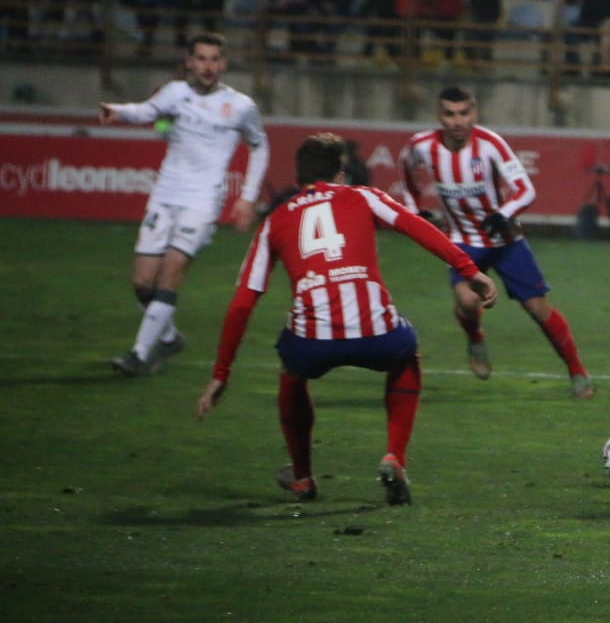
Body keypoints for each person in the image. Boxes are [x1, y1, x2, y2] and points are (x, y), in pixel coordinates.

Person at [195, 133, 498, 505]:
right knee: (406, 353)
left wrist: (221, 374)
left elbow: (243, 303)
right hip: (377, 334)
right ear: (341, 173)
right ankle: (395, 458)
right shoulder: (362, 195)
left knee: (291, 371)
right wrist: (470, 270)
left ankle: (303, 477)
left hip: (311, 344)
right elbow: (415, 226)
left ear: (298, 179)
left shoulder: (274, 222)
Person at [402, 85, 594, 399]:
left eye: (464, 113)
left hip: (505, 241)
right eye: (450, 114)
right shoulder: (421, 147)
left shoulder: (490, 145)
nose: (458, 121)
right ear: (440, 116)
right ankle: (476, 339)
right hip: (462, 241)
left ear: (474, 112)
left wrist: (503, 214)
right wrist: (413, 209)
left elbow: (526, 190)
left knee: (537, 309)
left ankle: (577, 371)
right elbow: (409, 176)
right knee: (466, 301)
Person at [99, 33, 269, 376]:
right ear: (190, 61)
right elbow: (147, 112)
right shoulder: (175, 93)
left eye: (214, 59)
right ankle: (170, 336)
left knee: (172, 269)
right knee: (143, 283)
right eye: (202, 58)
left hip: (203, 201)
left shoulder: (240, 106)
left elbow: (259, 146)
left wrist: (248, 197)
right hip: (165, 195)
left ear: (224, 64)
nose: (208, 66)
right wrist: (117, 111)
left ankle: (139, 354)